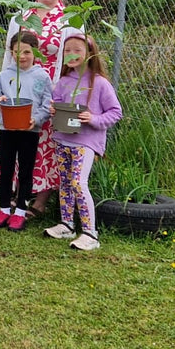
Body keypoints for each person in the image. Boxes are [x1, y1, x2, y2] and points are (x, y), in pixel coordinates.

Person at [0, 0, 70, 214]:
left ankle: (40, 201)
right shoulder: (21, 16)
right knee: (16, 138)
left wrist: (61, 95)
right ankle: (17, 196)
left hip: (49, 88)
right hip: (19, 89)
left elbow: (72, 57)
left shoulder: (69, 19)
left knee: (46, 143)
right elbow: (8, 54)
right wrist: (4, 89)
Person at [45, 31, 123, 251]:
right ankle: (66, 224)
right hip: (62, 139)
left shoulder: (100, 83)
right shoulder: (63, 82)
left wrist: (94, 119)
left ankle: (90, 232)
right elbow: (58, 104)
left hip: (86, 142)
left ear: (90, 54)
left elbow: (115, 112)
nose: (72, 54)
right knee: (65, 182)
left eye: (77, 50)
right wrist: (53, 109)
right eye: (67, 51)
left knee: (79, 182)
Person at [0, 30, 54, 231]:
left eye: (26, 52)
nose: (21, 56)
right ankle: (4, 208)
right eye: (17, 52)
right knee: (6, 169)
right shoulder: (5, 74)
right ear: (11, 52)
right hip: (7, 128)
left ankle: (20, 211)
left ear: (35, 53)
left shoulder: (42, 77)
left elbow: (46, 105)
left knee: (26, 171)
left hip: (30, 130)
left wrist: (37, 119)